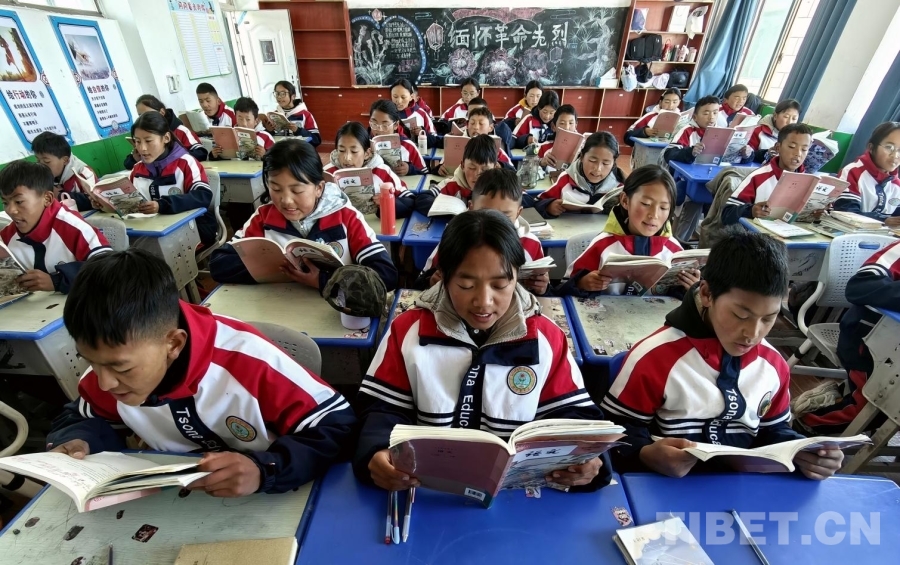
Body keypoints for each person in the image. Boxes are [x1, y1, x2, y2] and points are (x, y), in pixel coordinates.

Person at [46, 249, 356, 497]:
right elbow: (84, 416)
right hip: (181, 501)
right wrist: (78, 440)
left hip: (272, 496)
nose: (104, 382)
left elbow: (337, 425)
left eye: (121, 367)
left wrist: (265, 470)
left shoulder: (248, 361)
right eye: (90, 361)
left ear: (173, 344)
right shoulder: (112, 367)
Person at [353, 209, 611, 491]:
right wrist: (377, 450)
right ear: (443, 276)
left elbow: (573, 416)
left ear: (517, 276)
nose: (484, 301)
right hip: (426, 491)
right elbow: (382, 409)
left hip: (516, 495)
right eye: (466, 285)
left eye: (500, 284)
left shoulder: (544, 338)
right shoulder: (409, 331)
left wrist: (588, 461)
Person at [600, 231, 844, 479]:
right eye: (741, 315)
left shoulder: (773, 364)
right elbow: (616, 432)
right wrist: (643, 454)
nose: (752, 334)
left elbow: (773, 429)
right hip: (668, 487)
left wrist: (803, 452)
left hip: (743, 489)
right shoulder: (655, 358)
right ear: (707, 294)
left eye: (768, 319)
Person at [209, 139, 398, 290]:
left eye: (297, 191)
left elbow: (386, 275)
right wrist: (281, 268)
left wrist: (324, 280)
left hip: (336, 315)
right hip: (278, 309)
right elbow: (219, 264)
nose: (286, 201)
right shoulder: (263, 217)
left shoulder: (345, 217)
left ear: (319, 188)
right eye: (276, 189)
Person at [798, 240, 900, 434]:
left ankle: (836, 396)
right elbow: (861, 284)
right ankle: (802, 423)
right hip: (868, 343)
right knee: (874, 410)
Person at [558, 165, 692, 297]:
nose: (654, 215)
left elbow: (680, 299)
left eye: (663, 208)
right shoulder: (603, 245)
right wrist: (582, 283)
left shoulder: (675, 252)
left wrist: (690, 288)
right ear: (625, 201)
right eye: (646, 204)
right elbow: (564, 286)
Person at [416, 168, 549, 295]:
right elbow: (421, 281)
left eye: (505, 215)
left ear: (518, 213)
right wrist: (430, 281)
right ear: (471, 208)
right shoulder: (456, 239)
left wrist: (542, 289)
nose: (495, 222)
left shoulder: (531, 244)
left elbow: (542, 295)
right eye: (486, 212)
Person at [0, 160, 110, 293]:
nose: (10, 210)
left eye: (18, 202)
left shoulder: (73, 227)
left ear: (47, 199)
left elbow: (109, 269)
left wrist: (57, 280)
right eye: (5, 203)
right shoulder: (7, 236)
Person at [128, 112, 217, 247]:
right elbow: (129, 200)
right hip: (152, 230)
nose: (142, 148)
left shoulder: (186, 163)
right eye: (137, 141)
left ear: (166, 138)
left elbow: (202, 196)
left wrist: (162, 205)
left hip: (191, 228)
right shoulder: (137, 170)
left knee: (148, 251)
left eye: (148, 141)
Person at [721, 123, 813, 225]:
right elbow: (727, 213)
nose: (798, 154)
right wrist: (751, 211)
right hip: (758, 233)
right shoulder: (758, 177)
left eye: (804, 149)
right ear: (778, 148)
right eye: (792, 147)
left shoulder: (811, 183)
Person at [323, 121, 413, 218]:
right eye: (341, 151)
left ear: (367, 153)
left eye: (354, 151)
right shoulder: (327, 174)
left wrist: (388, 202)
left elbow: (409, 199)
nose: (347, 158)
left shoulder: (382, 171)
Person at [535, 132, 625, 218]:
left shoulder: (619, 187)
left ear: (613, 163)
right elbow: (537, 202)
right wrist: (548, 207)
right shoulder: (566, 180)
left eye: (605, 163)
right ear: (582, 157)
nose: (598, 169)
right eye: (592, 161)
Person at [834, 121, 900, 226]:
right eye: (889, 147)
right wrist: (883, 220)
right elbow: (845, 212)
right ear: (871, 148)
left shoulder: (896, 184)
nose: (895, 155)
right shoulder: (853, 172)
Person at [415, 134, 499, 215]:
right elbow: (422, 199)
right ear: (463, 166)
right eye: (472, 168)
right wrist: (447, 210)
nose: (477, 174)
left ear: (495, 168)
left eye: (485, 170)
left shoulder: (499, 190)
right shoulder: (451, 184)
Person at [124, 94, 207, 169]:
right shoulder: (142, 136)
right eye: (140, 115)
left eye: (148, 141)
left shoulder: (180, 130)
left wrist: (173, 155)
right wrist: (134, 159)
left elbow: (201, 153)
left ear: (162, 112)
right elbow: (128, 164)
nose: (145, 118)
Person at [31, 131, 95, 211]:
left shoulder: (84, 173)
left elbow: (94, 201)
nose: (41, 165)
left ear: (65, 160)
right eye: (38, 160)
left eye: (47, 161)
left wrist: (58, 195)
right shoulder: (45, 172)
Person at [436, 107, 513, 175]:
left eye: (481, 124)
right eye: (472, 123)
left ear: (491, 127)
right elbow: (441, 166)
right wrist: (439, 169)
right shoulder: (457, 144)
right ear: (467, 125)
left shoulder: (495, 148)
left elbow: (512, 170)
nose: (476, 127)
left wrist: (501, 165)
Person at [367, 99, 426, 176]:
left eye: (385, 125)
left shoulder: (408, 146)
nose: (379, 129)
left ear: (396, 125)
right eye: (374, 124)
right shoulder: (363, 144)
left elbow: (424, 172)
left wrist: (409, 169)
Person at [210, 97, 275, 161]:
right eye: (240, 119)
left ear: (256, 120)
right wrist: (214, 155)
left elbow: (276, 160)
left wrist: (264, 155)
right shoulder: (228, 136)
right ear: (235, 118)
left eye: (248, 119)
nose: (244, 124)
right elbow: (222, 159)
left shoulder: (265, 137)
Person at [662, 95, 720, 164]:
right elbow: (669, 154)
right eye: (706, 114)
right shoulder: (687, 131)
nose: (711, 117)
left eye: (715, 113)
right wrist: (691, 152)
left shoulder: (721, 132)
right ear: (695, 117)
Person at [263, 80, 321, 147]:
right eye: (277, 93)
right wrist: (269, 130)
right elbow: (266, 140)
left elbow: (316, 140)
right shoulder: (273, 115)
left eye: (283, 94)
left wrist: (298, 130)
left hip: (299, 151)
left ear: (293, 96)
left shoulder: (305, 114)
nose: (279, 97)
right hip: (280, 151)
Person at [747, 99, 800, 163]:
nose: (790, 122)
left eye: (794, 118)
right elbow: (748, 157)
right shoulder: (757, 131)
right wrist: (766, 154)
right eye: (786, 117)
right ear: (775, 116)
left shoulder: (797, 138)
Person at [538, 104, 579, 170]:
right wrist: (542, 162)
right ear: (553, 127)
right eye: (562, 123)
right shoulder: (544, 147)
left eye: (571, 123)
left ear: (576, 126)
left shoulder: (583, 148)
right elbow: (530, 167)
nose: (567, 128)